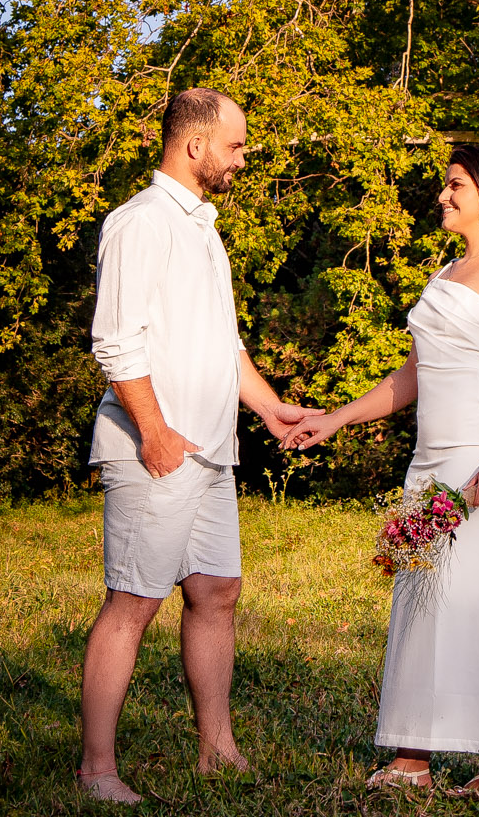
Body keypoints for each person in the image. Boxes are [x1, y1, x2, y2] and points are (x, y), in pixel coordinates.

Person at [77, 88, 317, 806]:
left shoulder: (204, 229)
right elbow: (114, 343)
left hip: (212, 451)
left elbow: (224, 346)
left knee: (216, 591)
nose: (243, 159)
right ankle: (96, 770)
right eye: (236, 146)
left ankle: (217, 749)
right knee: (134, 602)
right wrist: (154, 432)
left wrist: (270, 408)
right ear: (194, 147)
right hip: (159, 446)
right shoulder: (140, 223)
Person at [300, 144, 479, 798]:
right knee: (417, 602)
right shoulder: (443, 274)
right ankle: (413, 758)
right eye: (445, 185)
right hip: (430, 464)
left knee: (474, 599)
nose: (443, 195)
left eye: (455, 185)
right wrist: (335, 418)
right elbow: (412, 375)